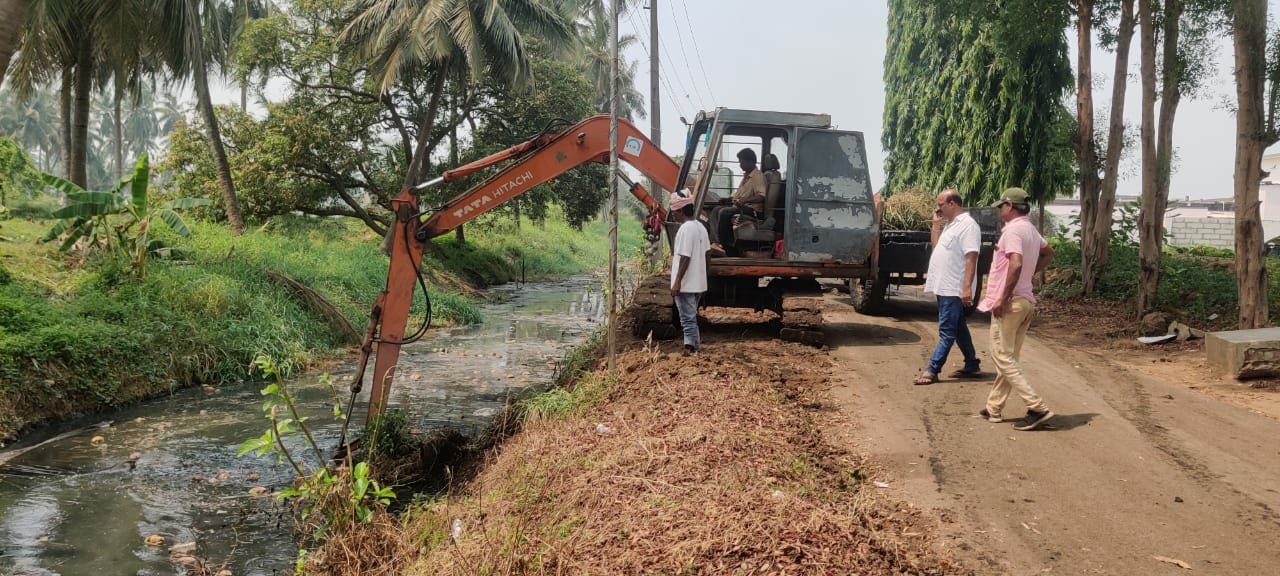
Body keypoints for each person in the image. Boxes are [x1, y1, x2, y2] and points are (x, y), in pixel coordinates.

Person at [977, 187, 1056, 431]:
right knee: (1009, 357)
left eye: (1001, 206)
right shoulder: (1030, 230)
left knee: (1001, 356)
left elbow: (1016, 263)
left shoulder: (1012, 231)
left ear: (1010, 206)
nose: (1000, 210)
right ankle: (994, 407)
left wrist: (1003, 296)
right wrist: (1028, 277)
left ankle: (1037, 407)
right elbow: (1048, 252)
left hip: (1011, 303)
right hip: (1026, 302)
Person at [913, 188, 983, 385]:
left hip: (954, 286)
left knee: (947, 331)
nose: (938, 208)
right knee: (958, 326)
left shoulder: (968, 226)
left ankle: (932, 370)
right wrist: (935, 226)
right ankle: (971, 363)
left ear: (952, 204)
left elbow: (971, 257)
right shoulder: (950, 225)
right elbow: (937, 248)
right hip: (943, 285)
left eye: (940, 204)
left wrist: (966, 288)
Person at [670, 194, 709, 353]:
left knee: (687, 318)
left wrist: (677, 281)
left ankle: (690, 347)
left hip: (686, 283)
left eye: (674, 212)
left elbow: (685, 256)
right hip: (698, 282)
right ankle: (695, 346)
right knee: (691, 316)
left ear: (681, 210)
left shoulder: (685, 229)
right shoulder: (701, 227)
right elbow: (708, 254)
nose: (673, 215)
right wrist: (704, 275)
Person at [710, 148, 767, 256]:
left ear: (751, 161)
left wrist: (745, 200)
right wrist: (727, 200)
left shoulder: (758, 176)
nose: (740, 165)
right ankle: (717, 243)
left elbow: (761, 196)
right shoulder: (746, 176)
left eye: (742, 162)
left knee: (724, 212)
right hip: (742, 207)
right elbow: (738, 195)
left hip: (752, 211)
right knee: (716, 209)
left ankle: (727, 246)